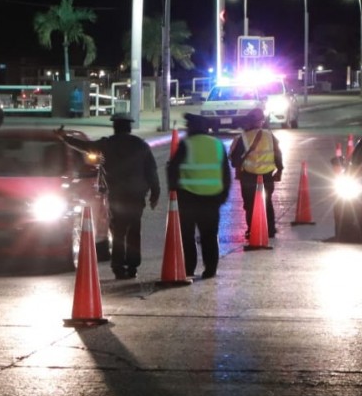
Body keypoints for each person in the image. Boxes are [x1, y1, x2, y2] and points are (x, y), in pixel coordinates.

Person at [56, 113, 160, 280]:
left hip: (117, 196)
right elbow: (151, 171)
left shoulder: (107, 144)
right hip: (136, 196)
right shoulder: (140, 145)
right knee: (134, 231)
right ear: (130, 127)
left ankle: (118, 267)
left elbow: (85, 146)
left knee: (118, 232)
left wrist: (65, 138)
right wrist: (155, 193)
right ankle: (132, 266)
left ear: (115, 127)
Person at [167, 113, 231, 279]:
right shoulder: (217, 144)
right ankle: (210, 269)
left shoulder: (186, 144)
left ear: (192, 128)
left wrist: (173, 192)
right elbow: (225, 172)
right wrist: (223, 194)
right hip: (212, 198)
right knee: (209, 235)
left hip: (188, 197)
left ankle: (188, 269)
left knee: (187, 236)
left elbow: (173, 169)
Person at [228, 107, 284, 239]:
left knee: (250, 204)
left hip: (249, 177)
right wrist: (279, 170)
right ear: (262, 122)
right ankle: (270, 230)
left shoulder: (242, 138)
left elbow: (234, 161)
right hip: (267, 176)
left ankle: (253, 230)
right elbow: (278, 156)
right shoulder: (270, 136)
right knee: (267, 202)